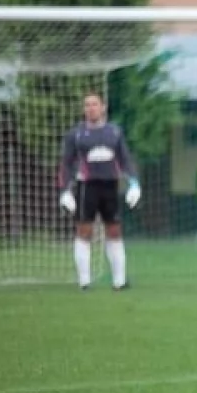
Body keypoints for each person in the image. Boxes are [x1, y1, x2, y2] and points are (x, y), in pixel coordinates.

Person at [57, 92, 140, 290]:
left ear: (103, 107)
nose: (90, 108)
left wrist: (134, 184)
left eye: (94, 104)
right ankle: (84, 281)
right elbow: (66, 164)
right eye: (87, 105)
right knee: (84, 231)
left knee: (114, 230)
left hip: (110, 185)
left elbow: (125, 159)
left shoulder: (114, 132)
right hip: (87, 186)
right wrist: (65, 191)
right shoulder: (75, 135)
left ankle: (119, 281)